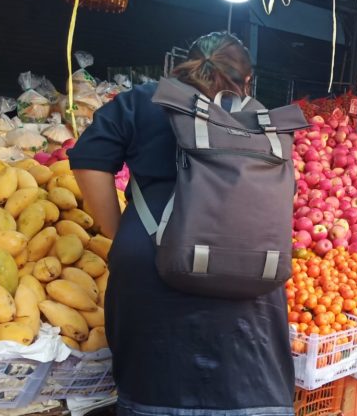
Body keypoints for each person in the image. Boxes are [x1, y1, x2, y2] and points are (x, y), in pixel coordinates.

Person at [68, 32, 295, 415]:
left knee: (154, 388)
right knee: (247, 385)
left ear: (178, 69)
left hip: (152, 263)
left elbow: (88, 159)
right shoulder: (261, 122)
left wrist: (118, 230)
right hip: (250, 271)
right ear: (248, 80)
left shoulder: (143, 101)